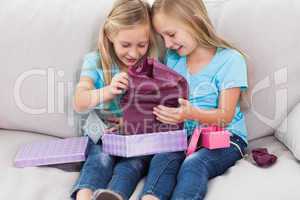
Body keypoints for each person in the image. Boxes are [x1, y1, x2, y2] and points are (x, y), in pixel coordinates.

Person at [71, 1, 183, 200]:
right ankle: (85, 195)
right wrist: (108, 91)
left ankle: (114, 195)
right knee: (99, 161)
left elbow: (161, 104)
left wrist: (133, 122)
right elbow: (79, 101)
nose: (133, 53)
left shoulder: (153, 64)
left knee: (132, 166)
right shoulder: (96, 61)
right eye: (125, 45)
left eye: (142, 44)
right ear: (110, 35)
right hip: (104, 134)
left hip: (138, 136)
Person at [149, 0, 248, 199]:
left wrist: (191, 113)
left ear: (194, 21)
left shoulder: (230, 60)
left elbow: (225, 116)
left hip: (227, 137)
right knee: (162, 159)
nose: (167, 44)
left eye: (171, 34)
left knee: (194, 164)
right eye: (162, 37)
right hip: (185, 137)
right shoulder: (174, 59)